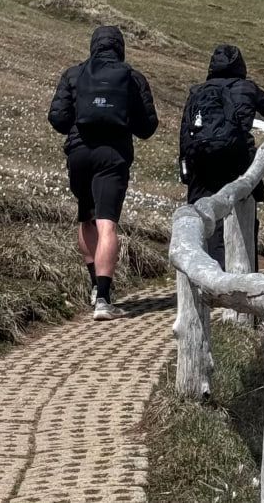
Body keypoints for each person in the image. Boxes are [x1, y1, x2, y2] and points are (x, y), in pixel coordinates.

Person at [48, 25, 158, 320]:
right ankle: (105, 300)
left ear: (93, 45)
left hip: (79, 153)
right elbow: (148, 127)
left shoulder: (75, 73)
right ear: (120, 47)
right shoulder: (132, 77)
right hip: (113, 154)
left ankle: (94, 287)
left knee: (87, 217)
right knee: (107, 223)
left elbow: (57, 119)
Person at [179, 44, 264, 269]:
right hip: (237, 160)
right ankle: (241, 274)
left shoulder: (197, 91)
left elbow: (186, 130)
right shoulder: (246, 88)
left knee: (203, 218)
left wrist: (184, 166)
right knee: (241, 216)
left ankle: (206, 277)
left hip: (200, 162)